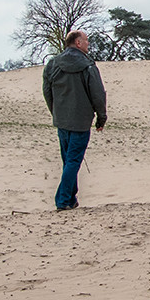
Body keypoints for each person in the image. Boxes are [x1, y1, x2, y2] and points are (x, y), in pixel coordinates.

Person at [42, 30, 107, 209]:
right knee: (73, 161)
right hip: (80, 120)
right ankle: (62, 200)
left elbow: (47, 91)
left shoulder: (53, 64)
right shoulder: (88, 66)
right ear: (78, 43)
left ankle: (70, 198)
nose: (88, 44)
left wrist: (55, 111)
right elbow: (98, 94)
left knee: (69, 161)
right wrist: (101, 117)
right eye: (86, 41)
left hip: (62, 119)